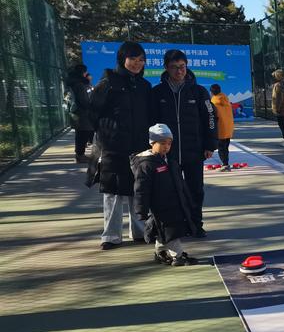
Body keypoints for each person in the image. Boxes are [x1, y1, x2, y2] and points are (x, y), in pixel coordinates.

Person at [86, 41, 150, 250]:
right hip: (112, 147)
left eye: (141, 60)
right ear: (123, 59)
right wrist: (108, 132)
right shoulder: (108, 83)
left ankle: (139, 231)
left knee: (136, 189)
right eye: (133, 59)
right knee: (112, 192)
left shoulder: (144, 86)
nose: (137, 64)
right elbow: (92, 114)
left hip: (138, 146)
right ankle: (111, 236)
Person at [151, 49, 217, 237]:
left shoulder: (199, 91)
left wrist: (210, 145)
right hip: (167, 153)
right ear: (166, 68)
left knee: (195, 190)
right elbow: (151, 122)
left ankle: (196, 225)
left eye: (182, 67)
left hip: (193, 151)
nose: (179, 71)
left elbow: (210, 118)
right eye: (174, 68)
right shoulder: (157, 93)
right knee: (170, 191)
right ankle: (175, 227)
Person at [133, 124, 198, 266]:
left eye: (169, 143)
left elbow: (180, 182)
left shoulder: (170, 161)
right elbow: (141, 189)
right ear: (152, 143)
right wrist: (141, 210)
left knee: (165, 231)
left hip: (174, 202)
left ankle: (160, 251)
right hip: (160, 206)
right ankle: (178, 256)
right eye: (162, 143)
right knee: (170, 231)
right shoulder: (147, 164)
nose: (166, 147)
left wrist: (187, 199)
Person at [64, 64, 94, 164]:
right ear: (82, 73)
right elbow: (84, 101)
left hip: (76, 112)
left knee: (80, 133)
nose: (86, 74)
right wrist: (91, 106)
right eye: (85, 72)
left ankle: (79, 154)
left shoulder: (72, 82)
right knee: (84, 133)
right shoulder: (79, 84)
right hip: (82, 113)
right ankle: (80, 156)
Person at [210, 84, 234, 171]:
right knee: (225, 147)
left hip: (220, 129)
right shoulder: (225, 99)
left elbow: (212, 116)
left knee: (221, 148)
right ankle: (226, 162)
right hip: (228, 129)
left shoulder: (213, 101)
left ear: (212, 92)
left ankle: (225, 164)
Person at [271, 69, 284, 142]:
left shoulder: (278, 85)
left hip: (280, 109)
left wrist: (277, 108)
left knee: (282, 124)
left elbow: (278, 98)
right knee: (283, 124)